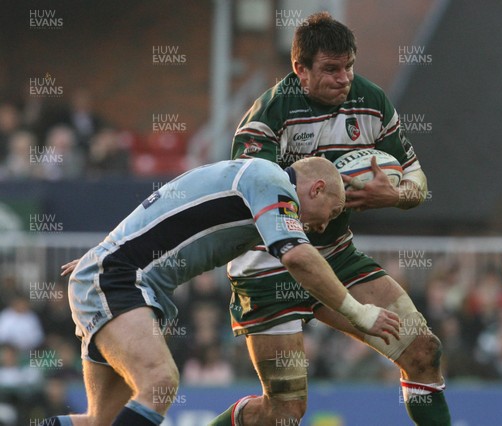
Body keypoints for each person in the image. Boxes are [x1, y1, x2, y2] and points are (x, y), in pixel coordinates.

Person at [210, 12, 451, 425]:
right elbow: (249, 200)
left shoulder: (370, 101)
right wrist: (319, 199)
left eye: (349, 67)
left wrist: (396, 194)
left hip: (336, 256)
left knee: (423, 351)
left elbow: (418, 179)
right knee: (285, 412)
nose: (344, 78)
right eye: (331, 69)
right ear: (299, 70)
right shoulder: (268, 116)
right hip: (269, 266)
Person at [44, 156, 400, 426]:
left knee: (100, 422)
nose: (324, 223)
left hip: (112, 276)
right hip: (118, 278)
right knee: (160, 383)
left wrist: (103, 251)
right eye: (332, 211)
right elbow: (298, 258)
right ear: (317, 188)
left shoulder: (254, 197)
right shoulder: (270, 179)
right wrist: (361, 312)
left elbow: (168, 207)